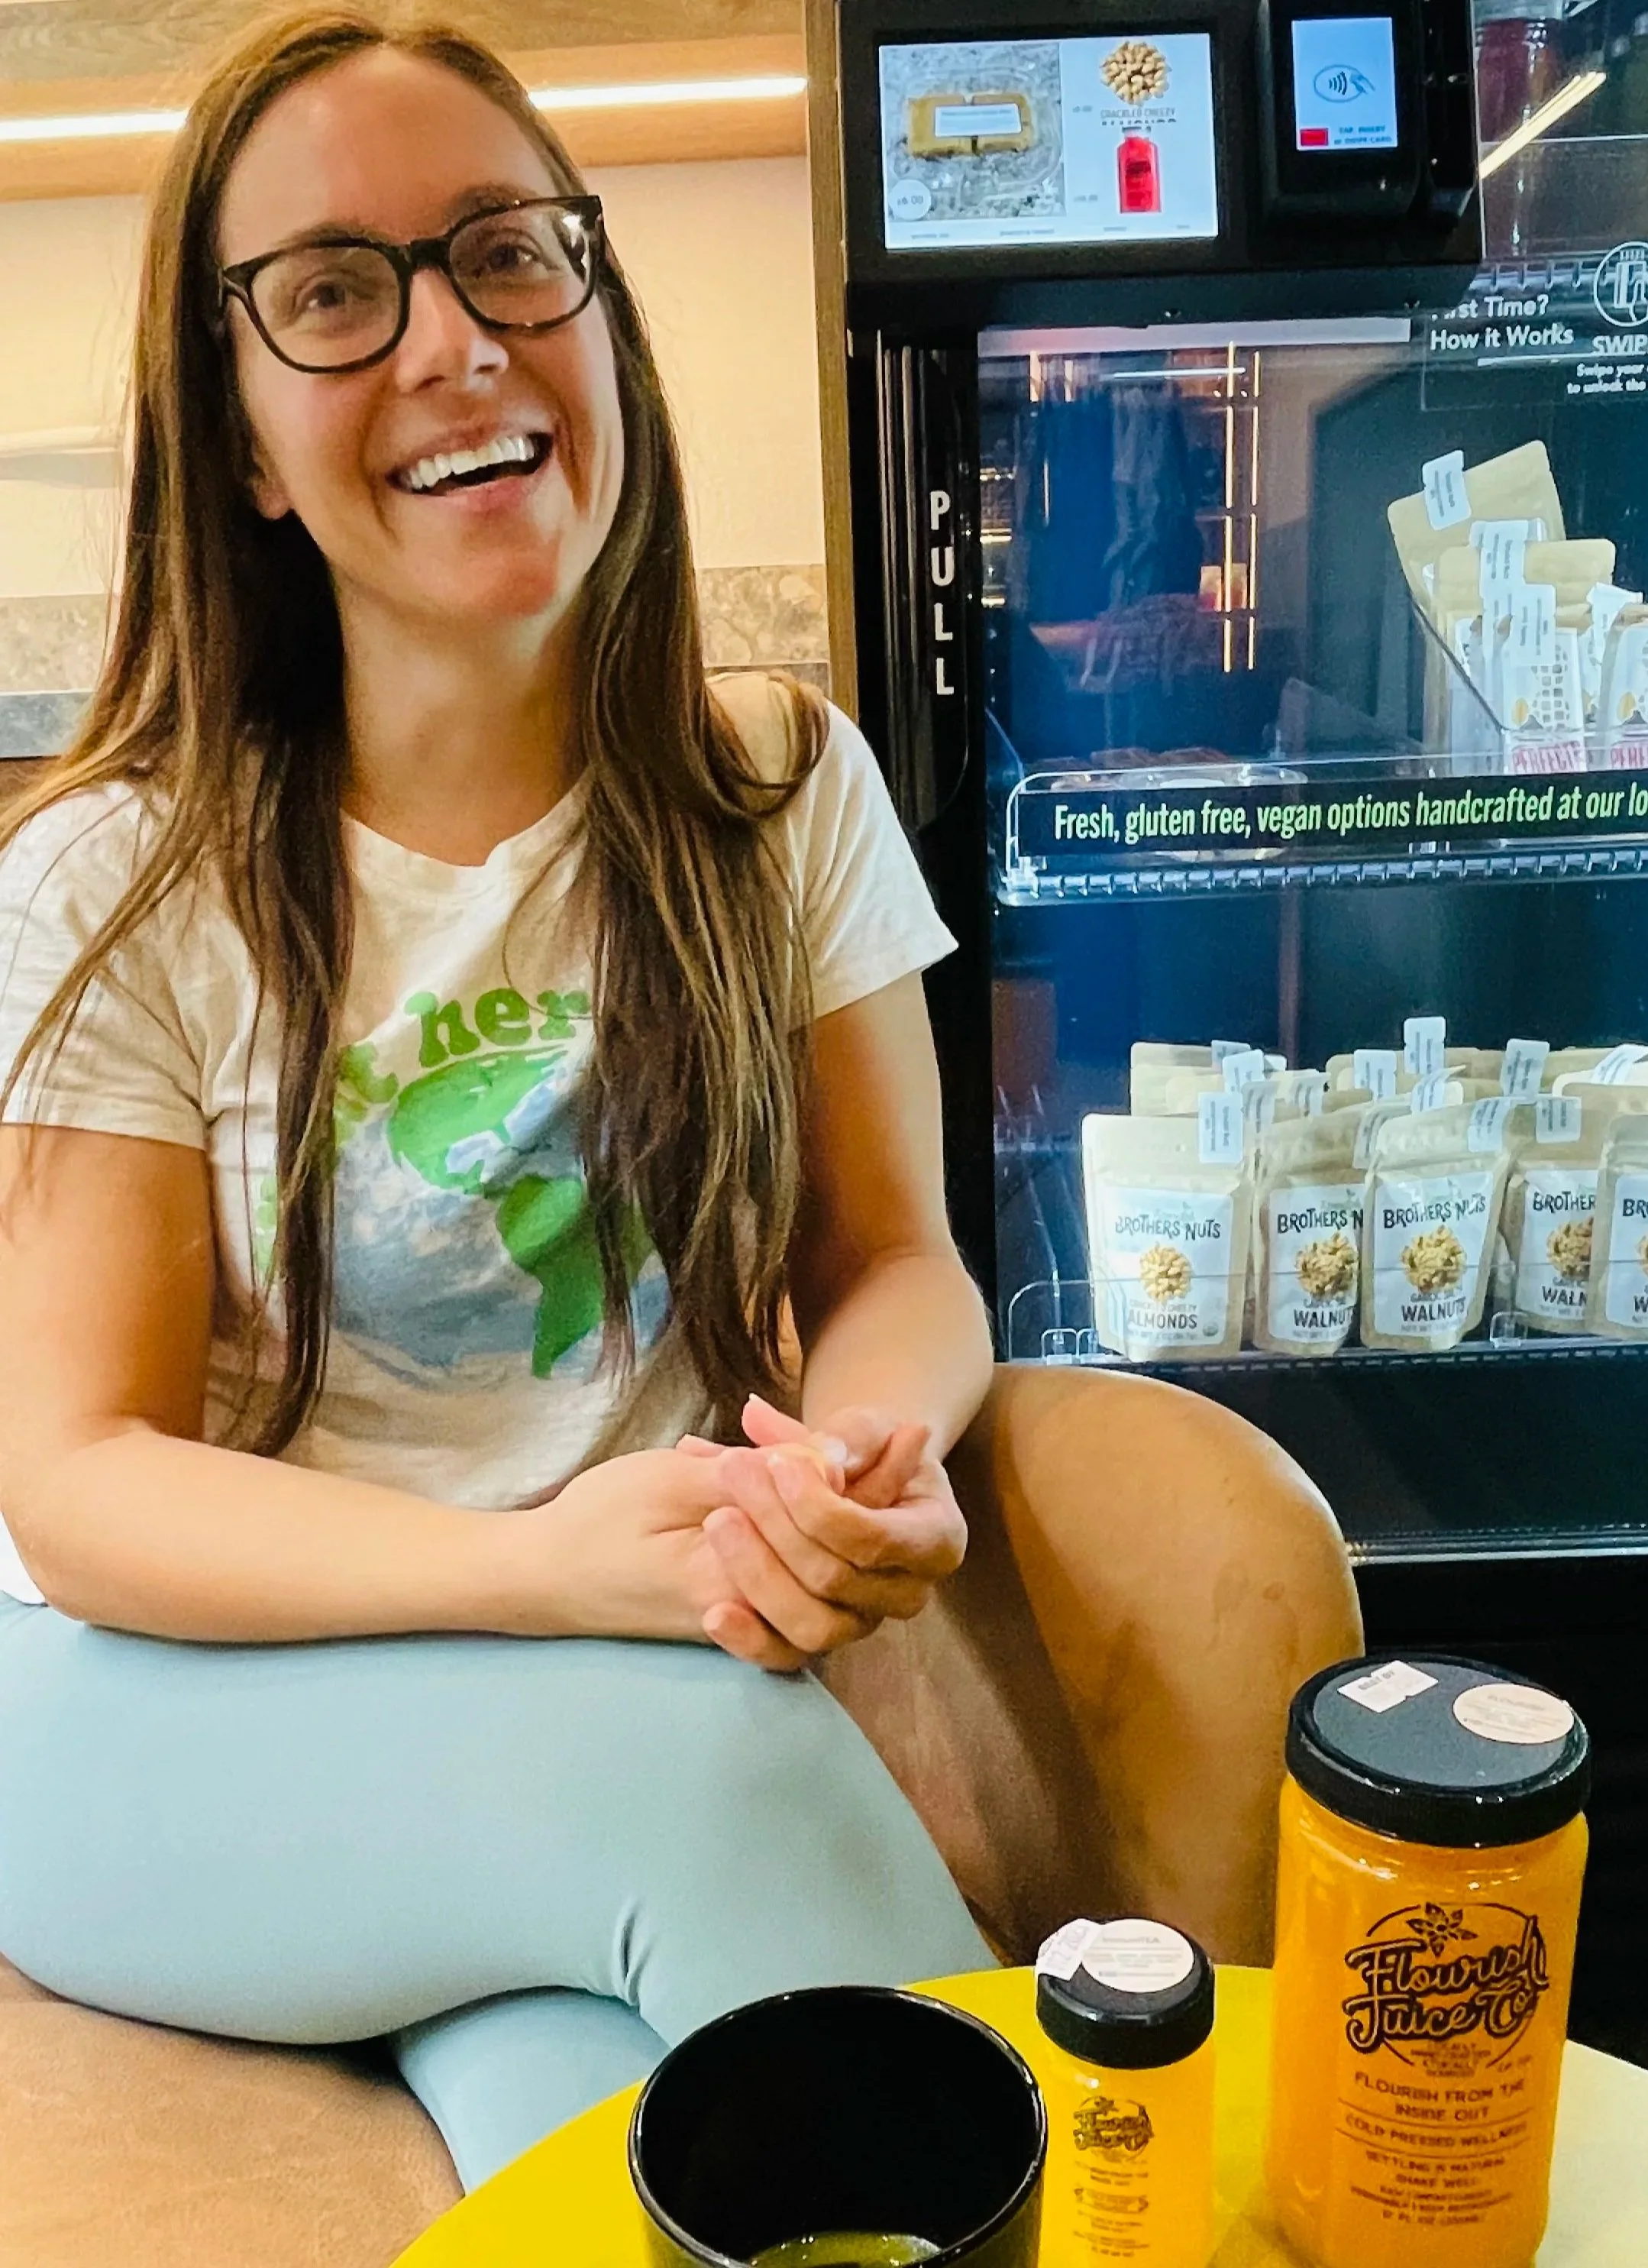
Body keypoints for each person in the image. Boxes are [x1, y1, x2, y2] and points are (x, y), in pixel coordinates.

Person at [0, 10, 997, 2191]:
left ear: (601, 326)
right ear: (247, 441)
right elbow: (77, 1477)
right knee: (728, 1781)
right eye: (338, 295)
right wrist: (543, 1568)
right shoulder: (116, 875)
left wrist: (860, 1457)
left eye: (506, 252)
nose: (452, 343)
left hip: (616, 1670)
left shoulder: (775, 788)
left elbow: (896, 1261)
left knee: (626, 2147)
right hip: (154, 1715)